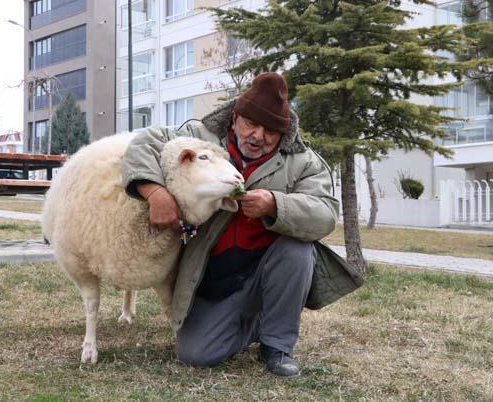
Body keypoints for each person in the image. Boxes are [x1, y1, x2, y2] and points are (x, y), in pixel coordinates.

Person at [121, 72, 363, 377]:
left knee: (296, 250)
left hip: (267, 269)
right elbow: (144, 144)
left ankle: (277, 346)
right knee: (195, 354)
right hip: (212, 276)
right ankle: (256, 323)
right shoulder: (200, 136)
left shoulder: (303, 161)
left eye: (271, 130)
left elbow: (325, 213)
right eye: (250, 123)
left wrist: (276, 205)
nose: (258, 135)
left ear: (283, 131)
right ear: (235, 118)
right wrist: (155, 192)